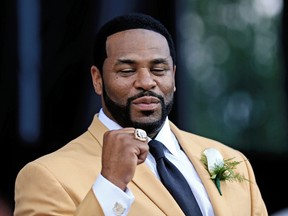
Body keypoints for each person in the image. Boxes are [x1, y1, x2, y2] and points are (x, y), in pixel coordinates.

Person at [14, 13, 268, 216]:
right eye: (126, 71)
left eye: (159, 69)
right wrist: (110, 184)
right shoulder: (46, 175)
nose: (146, 81)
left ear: (174, 76)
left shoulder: (232, 160)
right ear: (97, 79)